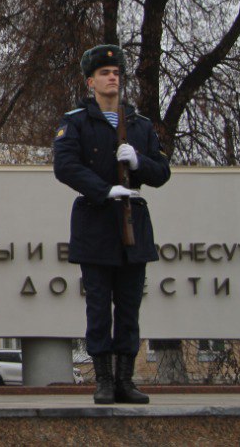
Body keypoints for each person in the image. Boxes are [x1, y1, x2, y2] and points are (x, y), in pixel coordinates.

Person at [53, 44, 171, 404]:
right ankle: (103, 380)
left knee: (130, 308)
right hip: (96, 223)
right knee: (99, 308)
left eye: (117, 73)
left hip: (133, 225)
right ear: (91, 81)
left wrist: (138, 162)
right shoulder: (76, 122)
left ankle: (125, 379)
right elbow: (66, 166)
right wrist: (105, 189)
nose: (112, 78)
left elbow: (162, 172)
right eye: (105, 73)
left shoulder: (139, 125)